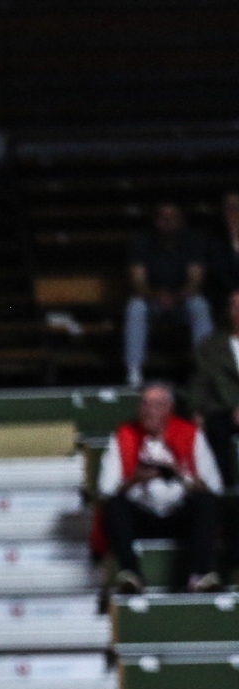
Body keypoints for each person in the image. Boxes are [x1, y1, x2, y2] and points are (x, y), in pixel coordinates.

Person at [96, 381, 223, 593]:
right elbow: (106, 489)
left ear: (168, 409)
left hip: (178, 513)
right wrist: (136, 478)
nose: (147, 411)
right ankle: (131, 575)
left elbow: (214, 487)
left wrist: (179, 473)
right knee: (115, 506)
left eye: (154, 405)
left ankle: (199, 576)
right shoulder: (123, 435)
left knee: (206, 504)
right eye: (144, 404)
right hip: (141, 514)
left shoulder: (190, 434)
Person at [124, 202, 211, 388]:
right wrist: (157, 296)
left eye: (173, 218)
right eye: (164, 218)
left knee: (200, 305)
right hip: (152, 301)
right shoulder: (142, 241)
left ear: (181, 220)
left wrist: (176, 297)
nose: (169, 223)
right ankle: (134, 370)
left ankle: (206, 370)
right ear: (156, 221)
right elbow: (137, 281)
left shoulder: (192, 241)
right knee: (135, 307)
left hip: (182, 301)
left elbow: (196, 280)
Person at [185, 287, 239, 490]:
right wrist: (196, 411)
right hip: (224, 410)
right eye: (235, 307)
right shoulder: (211, 346)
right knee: (214, 427)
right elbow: (200, 382)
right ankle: (227, 491)